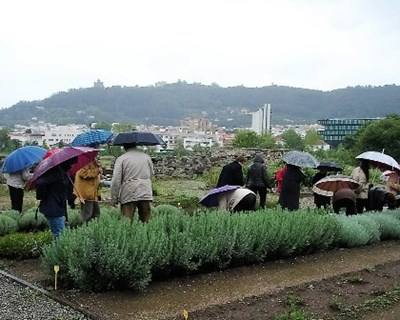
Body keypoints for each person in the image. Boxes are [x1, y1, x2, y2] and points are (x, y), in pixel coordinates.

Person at [111, 143, 154, 223]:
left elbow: (116, 180)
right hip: (145, 190)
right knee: (145, 221)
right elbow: (151, 174)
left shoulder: (122, 159)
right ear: (135, 145)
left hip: (129, 191)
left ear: (124, 147)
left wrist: (114, 197)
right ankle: (146, 235)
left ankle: (128, 235)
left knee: (127, 221)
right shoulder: (146, 157)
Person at [35, 158, 76, 238]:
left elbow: (66, 191)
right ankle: (59, 250)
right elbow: (40, 185)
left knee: (60, 233)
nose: (72, 165)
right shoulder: (53, 174)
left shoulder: (63, 173)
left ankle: (59, 248)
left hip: (59, 206)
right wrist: (43, 196)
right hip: (52, 207)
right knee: (59, 235)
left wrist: (72, 198)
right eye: (71, 163)